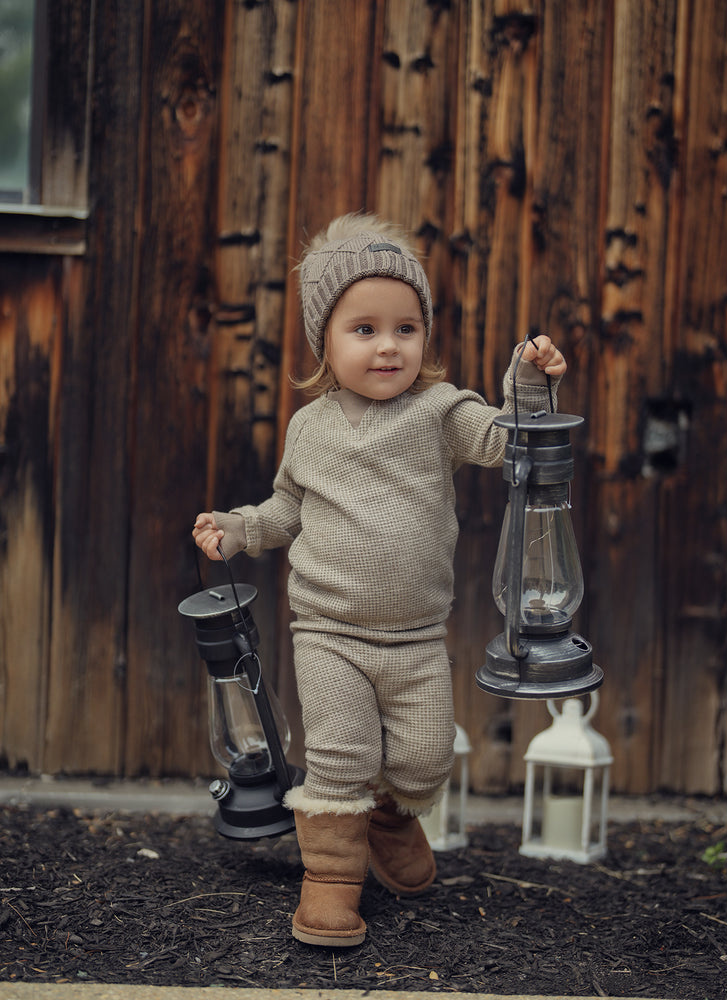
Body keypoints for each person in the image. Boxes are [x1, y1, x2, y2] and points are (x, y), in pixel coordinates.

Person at [193, 213, 567, 948]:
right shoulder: (312, 428)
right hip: (328, 632)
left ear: (424, 335)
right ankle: (330, 884)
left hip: (417, 636)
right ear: (325, 344)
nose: (388, 344)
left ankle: (391, 821)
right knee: (342, 754)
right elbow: (286, 509)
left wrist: (527, 380)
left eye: (405, 327)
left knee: (426, 755)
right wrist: (237, 529)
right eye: (363, 329)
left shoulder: (440, 412)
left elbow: (504, 440)